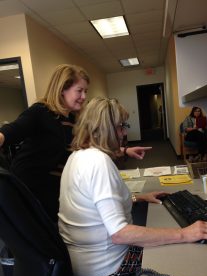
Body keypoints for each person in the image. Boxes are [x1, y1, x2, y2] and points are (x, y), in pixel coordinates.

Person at [58, 97, 207, 276]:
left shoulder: (77, 156)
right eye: (121, 126)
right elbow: (120, 234)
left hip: (84, 261)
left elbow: (97, 207)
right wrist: (185, 233)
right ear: (106, 128)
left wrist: (139, 197)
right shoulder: (98, 163)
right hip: (108, 266)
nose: (123, 133)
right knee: (189, 255)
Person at [0, 64, 151, 222]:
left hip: (58, 186)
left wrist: (125, 151)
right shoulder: (40, 112)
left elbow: (89, 144)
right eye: (79, 90)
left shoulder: (73, 118)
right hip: (32, 187)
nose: (84, 96)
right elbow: (11, 131)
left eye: (86, 91)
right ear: (62, 89)